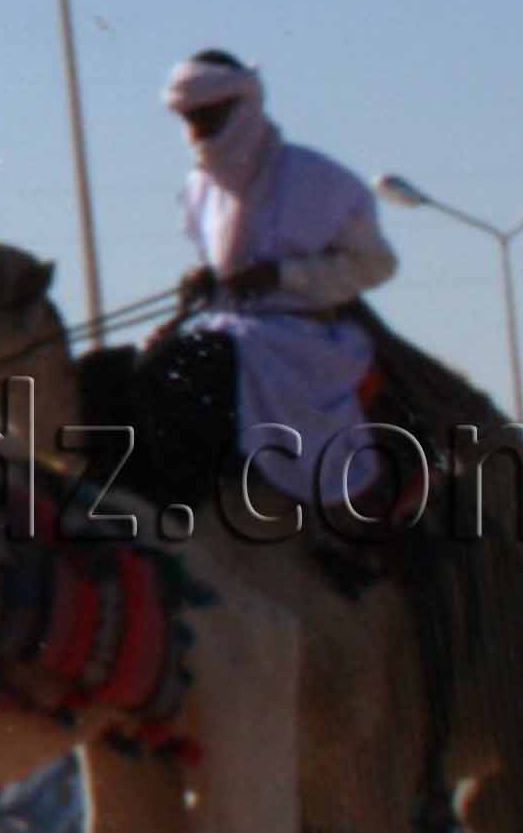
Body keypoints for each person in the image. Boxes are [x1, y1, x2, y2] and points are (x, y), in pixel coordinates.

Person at [158, 48, 398, 524]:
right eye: (189, 120)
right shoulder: (200, 188)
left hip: (304, 339)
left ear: (241, 108)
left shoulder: (319, 180)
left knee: (197, 362)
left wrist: (282, 275)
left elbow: (377, 266)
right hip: (229, 325)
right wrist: (205, 279)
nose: (196, 134)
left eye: (206, 118)